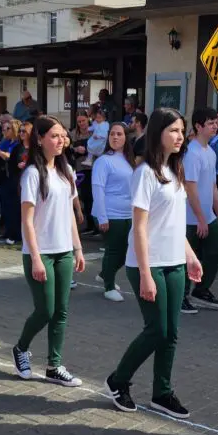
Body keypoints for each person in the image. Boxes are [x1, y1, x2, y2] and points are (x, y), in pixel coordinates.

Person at [103, 109, 203, 421]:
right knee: (156, 330)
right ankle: (118, 380)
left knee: (171, 332)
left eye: (182, 130)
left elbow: (173, 223)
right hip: (148, 264)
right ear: (158, 131)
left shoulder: (175, 170)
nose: (179, 136)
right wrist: (145, 274)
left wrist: (190, 255)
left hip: (174, 261)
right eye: (173, 130)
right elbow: (141, 228)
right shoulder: (145, 172)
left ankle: (162, 392)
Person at [12, 116, 87, 386]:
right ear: (40, 139)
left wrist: (77, 249)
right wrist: (35, 258)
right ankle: (21, 348)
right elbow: (27, 221)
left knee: (61, 311)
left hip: (64, 251)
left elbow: (68, 215)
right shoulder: (33, 174)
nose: (60, 140)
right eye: (54, 136)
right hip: (40, 253)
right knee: (45, 310)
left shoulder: (66, 174)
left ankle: (54, 366)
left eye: (62, 136)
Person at [180, 108, 218, 314]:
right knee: (187, 258)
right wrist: (200, 219)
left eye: (215, 122)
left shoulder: (211, 152)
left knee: (217, 250)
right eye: (210, 123)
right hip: (190, 219)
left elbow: (213, 186)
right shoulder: (192, 153)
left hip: (207, 216)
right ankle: (181, 297)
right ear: (198, 126)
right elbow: (190, 188)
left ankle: (201, 289)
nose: (215, 126)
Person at [92, 121, 136, 302]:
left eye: (119, 134)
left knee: (128, 251)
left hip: (127, 214)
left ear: (126, 138)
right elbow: (98, 189)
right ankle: (108, 286)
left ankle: (104, 274)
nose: (115, 137)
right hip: (110, 214)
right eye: (112, 134)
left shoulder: (128, 160)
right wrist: (102, 217)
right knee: (114, 251)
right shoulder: (104, 161)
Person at [1, 121, 32, 245]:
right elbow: (11, 165)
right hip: (17, 182)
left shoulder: (36, 148)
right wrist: (18, 166)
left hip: (31, 181)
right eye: (20, 131)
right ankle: (15, 234)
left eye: (24, 131)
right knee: (15, 209)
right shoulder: (17, 148)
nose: (21, 133)